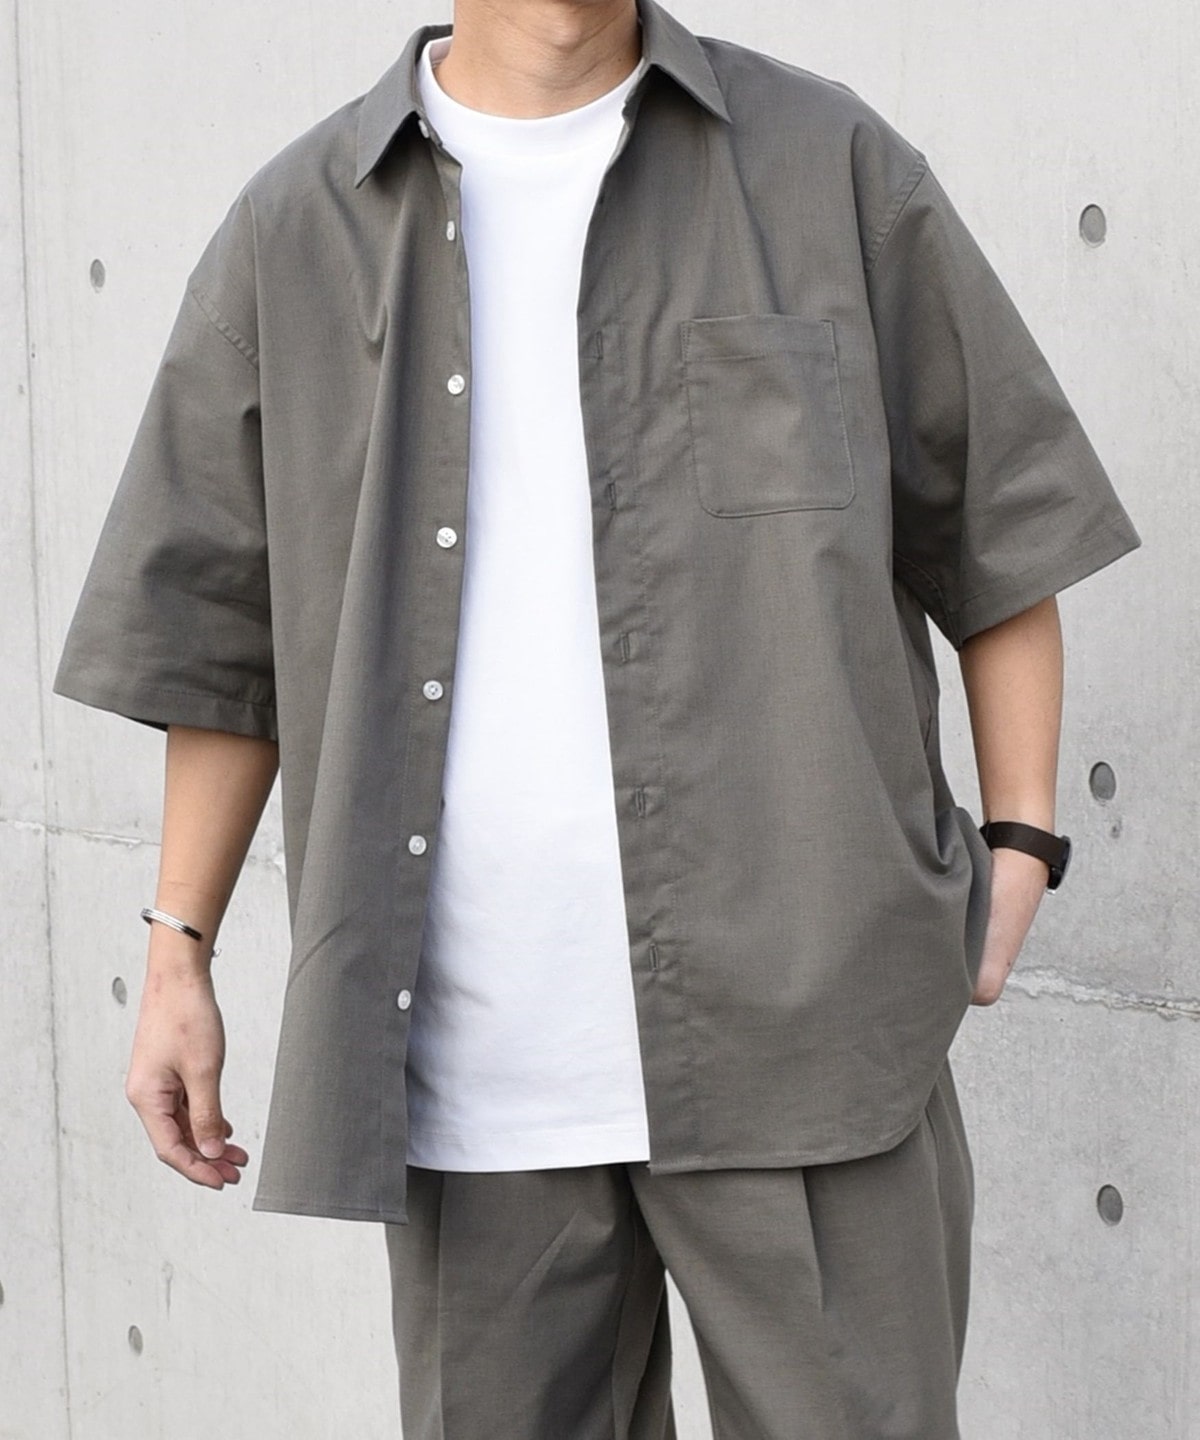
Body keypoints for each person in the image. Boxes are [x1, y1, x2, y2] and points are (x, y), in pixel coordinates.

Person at [52, 0, 1141, 1434]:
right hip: (471, 1075)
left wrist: (1024, 837)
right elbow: (223, 641)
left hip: (812, 1037)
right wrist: (176, 952)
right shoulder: (296, 230)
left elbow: (997, 517)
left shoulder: (827, 166)